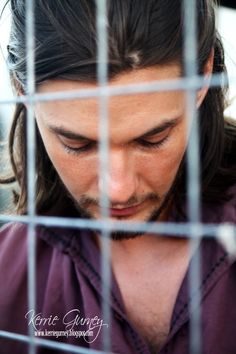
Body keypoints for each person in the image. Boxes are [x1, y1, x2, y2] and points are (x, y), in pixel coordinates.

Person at [0, 0, 235, 353]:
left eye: (153, 138)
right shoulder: (6, 275)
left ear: (202, 78)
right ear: (21, 90)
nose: (119, 190)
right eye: (77, 143)